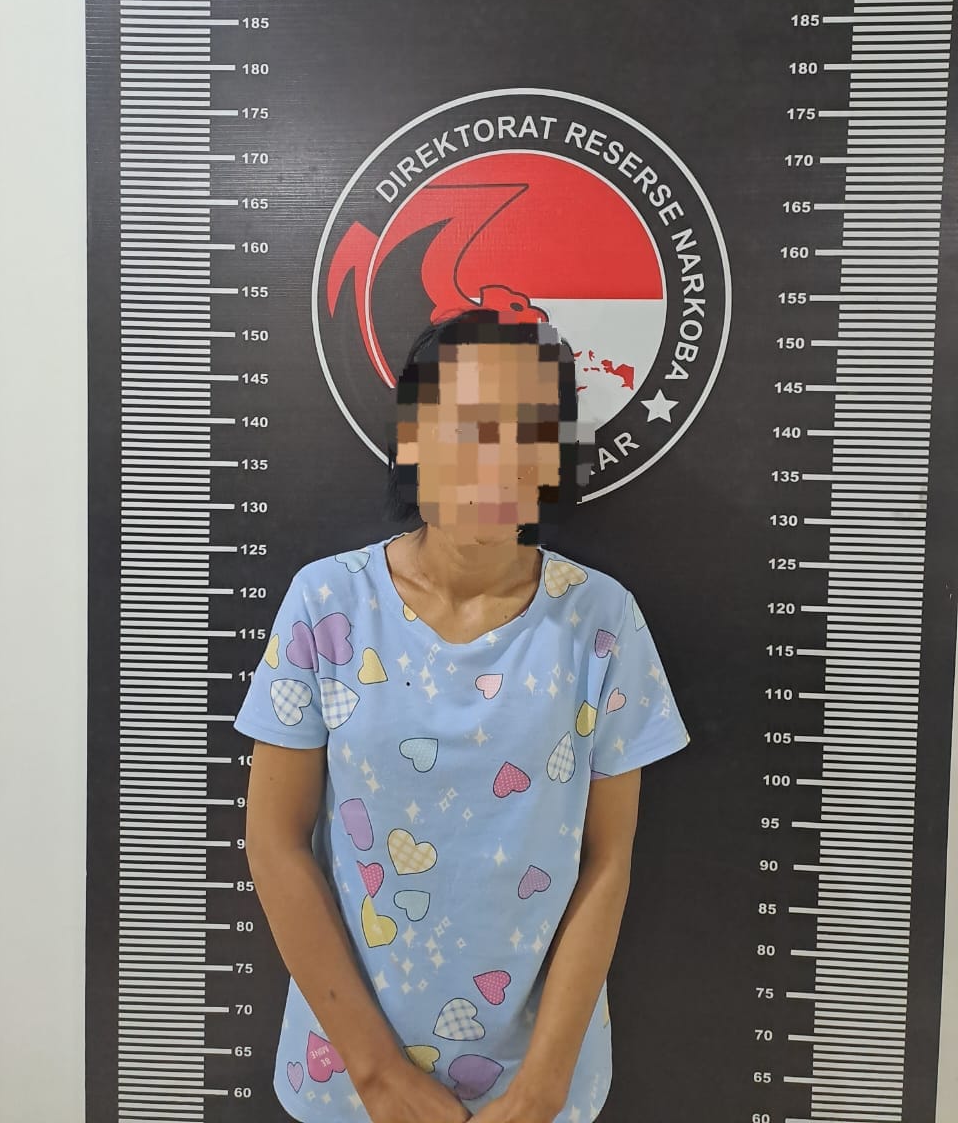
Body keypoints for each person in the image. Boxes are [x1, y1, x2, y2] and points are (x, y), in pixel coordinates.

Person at [233, 308, 692, 1123]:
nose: (498, 458)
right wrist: (379, 1076)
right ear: (412, 440)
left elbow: (608, 860)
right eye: (469, 426)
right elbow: (273, 841)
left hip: (541, 1085)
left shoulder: (600, 621)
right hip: (346, 1080)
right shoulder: (327, 605)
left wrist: (542, 1088)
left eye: (529, 431)